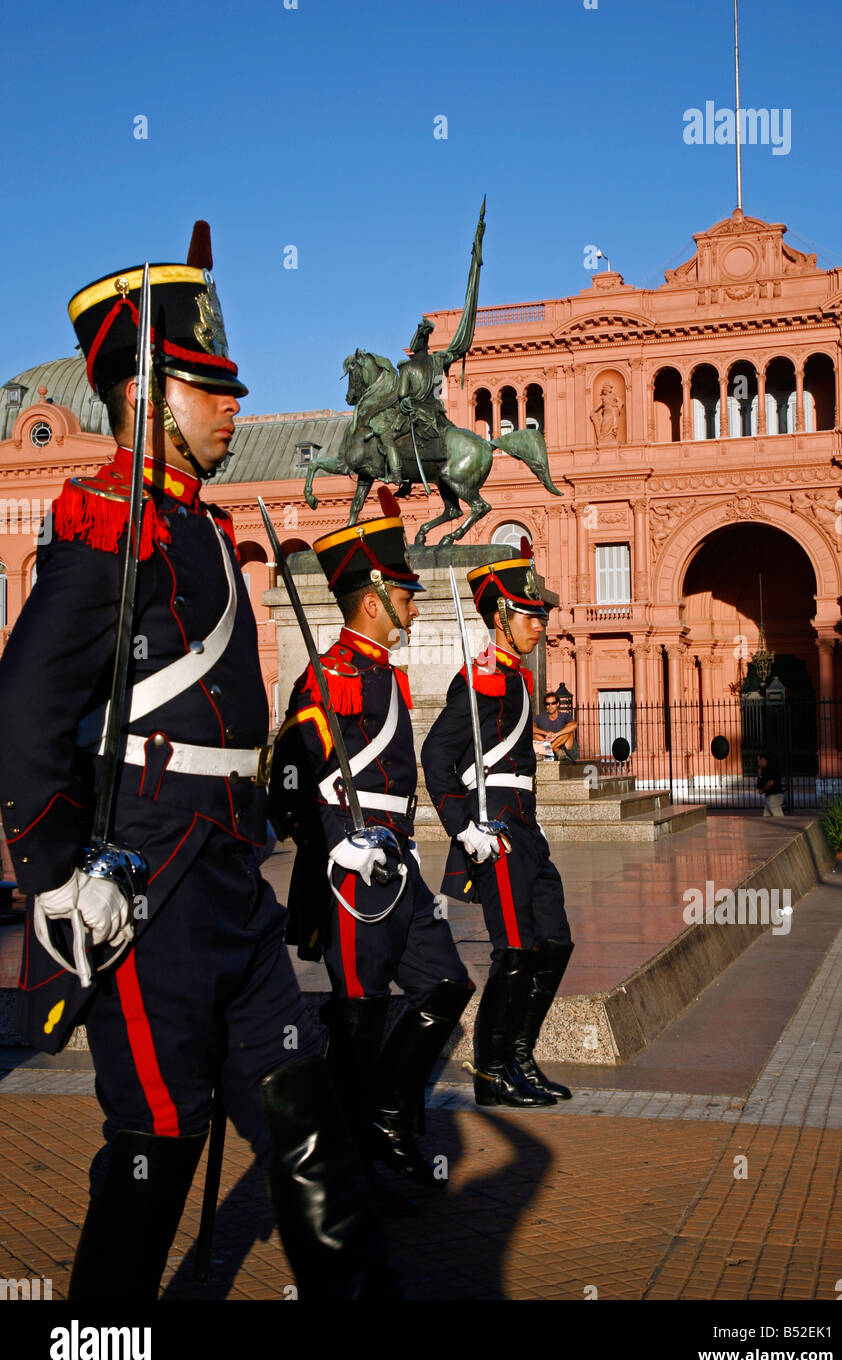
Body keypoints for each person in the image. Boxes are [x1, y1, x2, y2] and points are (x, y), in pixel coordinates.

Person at [0, 224, 386, 1300]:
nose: (232, 407)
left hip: (230, 877)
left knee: (301, 1102)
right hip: (154, 880)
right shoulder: (104, 533)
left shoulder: (207, 531)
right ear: (144, 395)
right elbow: (23, 708)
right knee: (158, 1134)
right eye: (208, 389)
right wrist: (57, 876)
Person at [268, 497, 474, 1191]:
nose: (414, 610)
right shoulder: (332, 676)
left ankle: (381, 1120)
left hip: (396, 863)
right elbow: (291, 777)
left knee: (445, 983)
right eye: (406, 597)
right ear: (376, 599)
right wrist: (334, 844)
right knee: (357, 1015)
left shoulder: (381, 671)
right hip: (351, 872)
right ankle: (349, 1160)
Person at [421, 544, 573, 1108]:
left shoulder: (513, 679)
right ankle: (491, 1069)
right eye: (529, 615)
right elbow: (438, 755)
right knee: (514, 948)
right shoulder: (484, 678)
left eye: (541, 615)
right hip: (497, 831)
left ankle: (520, 1057)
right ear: (500, 619)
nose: (539, 625)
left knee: (553, 942)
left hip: (525, 827)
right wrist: (464, 828)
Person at [533, 692, 579, 762]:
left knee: (569, 732)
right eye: (547, 704)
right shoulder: (540, 717)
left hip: (565, 749)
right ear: (545, 706)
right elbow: (531, 728)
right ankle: (554, 749)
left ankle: (548, 750)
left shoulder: (565, 716)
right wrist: (546, 733)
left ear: (557, 704)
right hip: (552, 748)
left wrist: (556, 735)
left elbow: (574, 725)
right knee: (533, 733)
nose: (550, 706)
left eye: (553, 703)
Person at [756, 751, 785, 816]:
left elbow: (770, 783)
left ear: (763, 759)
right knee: (767, 816)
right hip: (770, 797)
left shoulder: (770, 768)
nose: (758, 763)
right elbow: (759, 785)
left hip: (774, 796)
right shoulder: (764, 770)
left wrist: (762, 790)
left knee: (778, 817)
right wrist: (759, 774)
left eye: (758, 761)